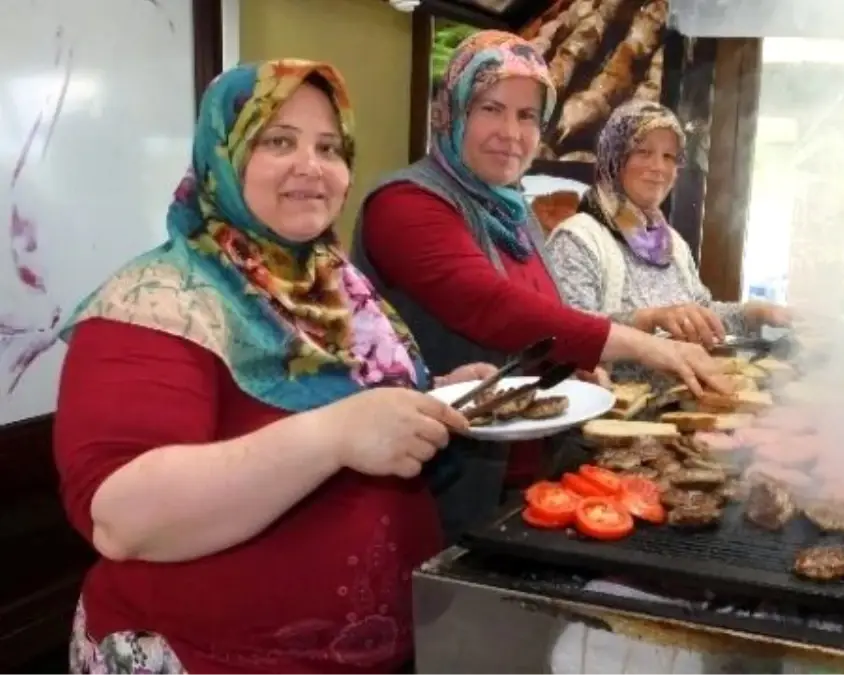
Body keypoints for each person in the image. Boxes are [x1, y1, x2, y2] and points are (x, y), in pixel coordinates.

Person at [54, 59, 488, 675]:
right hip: (204, 657)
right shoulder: (155, 299)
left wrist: (439, 396)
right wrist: (334, 435)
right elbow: (123, 519)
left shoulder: (337, 284)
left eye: (329, 147)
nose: (311, 167)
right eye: (278, 141)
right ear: (223, 155)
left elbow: (355, 405)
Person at [352, 31, 728, 540]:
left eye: (527, 115)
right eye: (491, 108)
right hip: (440, 486)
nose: (512, 132)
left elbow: (544, 316)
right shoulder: (405, 205)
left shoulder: (511, 207)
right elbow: (492, 307)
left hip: (528, 477)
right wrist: (641, 344)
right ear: (452, 110)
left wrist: (573, 368)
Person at [544, 100, 792, 354]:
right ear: (614, 157)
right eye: (643, 152)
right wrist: (648, 320)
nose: (659, 168)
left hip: (681, 390)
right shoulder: (577, 239)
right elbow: (565, 333)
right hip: (612, 393)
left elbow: (701, 313)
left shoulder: (671, 244)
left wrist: (758, 312)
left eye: (669, 156)